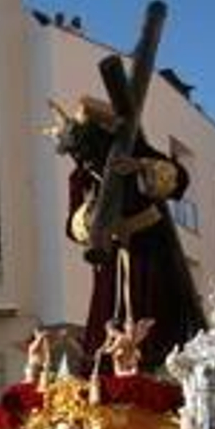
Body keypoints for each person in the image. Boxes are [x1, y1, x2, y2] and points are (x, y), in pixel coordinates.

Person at [54, 94, 203, 372]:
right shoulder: (82, 176)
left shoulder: (137, 153)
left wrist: (141, 167)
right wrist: (91, 215)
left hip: (150, 249)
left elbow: (179, 180)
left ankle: (161, 372)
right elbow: (72, 228)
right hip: (110, 257)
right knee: (107, 318)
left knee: (155, 313)